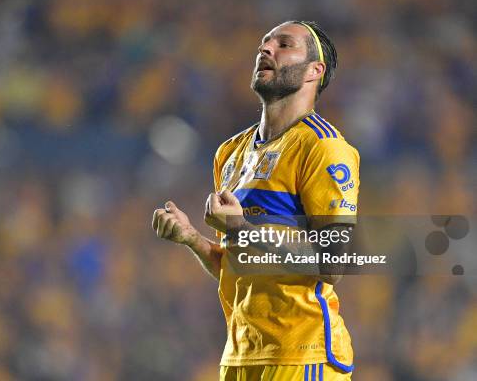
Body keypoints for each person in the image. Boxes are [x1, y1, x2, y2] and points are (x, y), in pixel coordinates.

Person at [152, 20, 359, 380]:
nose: (265, 49)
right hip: (241, 356)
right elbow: (234, 262)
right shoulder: (230, 153)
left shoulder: (324, 148)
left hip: (302, 356)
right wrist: (192, 239)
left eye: (284, 44)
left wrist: (242, 228)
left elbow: (332, 264)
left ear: (315, 70)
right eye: (264, 43)